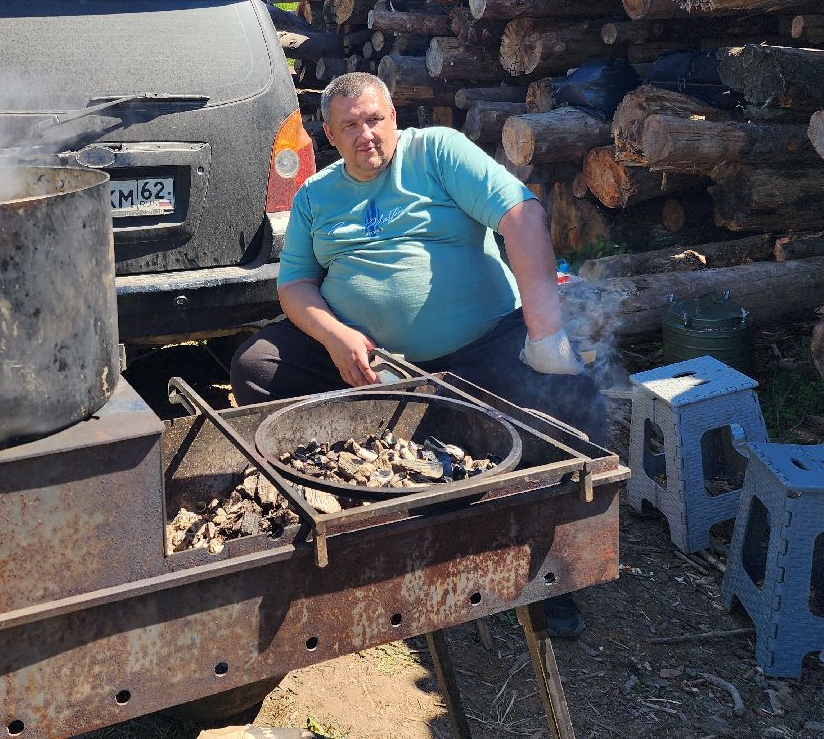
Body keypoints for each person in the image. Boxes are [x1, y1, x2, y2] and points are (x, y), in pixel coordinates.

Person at [230, 72, 607, 637]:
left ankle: (553, 570)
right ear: (329, 134)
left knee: (569, 404)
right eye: (350, 126)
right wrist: (335, 336)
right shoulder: (314, 196)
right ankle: (351, 511)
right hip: (375, 366)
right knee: (257, 367)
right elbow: (295, 286)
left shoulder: (437, 152)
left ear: (394, 118)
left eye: (375, 120)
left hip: (482, 346)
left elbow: (521, 215)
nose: (366, 135)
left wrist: (545, 337)